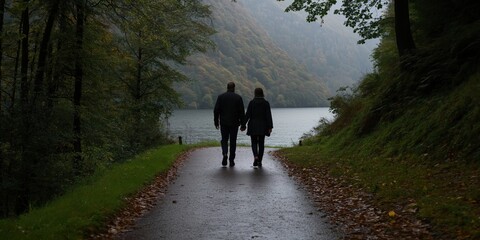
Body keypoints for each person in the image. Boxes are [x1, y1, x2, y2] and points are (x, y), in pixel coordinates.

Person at [214, 82, 246, 167]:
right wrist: (243, 124)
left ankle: (225, 153)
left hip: (224, 122)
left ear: (227, 87)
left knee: (224, 139)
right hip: (234, 123)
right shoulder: (238, 98)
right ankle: (231, 160)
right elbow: (242, 112)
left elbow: (216, 110)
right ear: (234, 88)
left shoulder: (221, 97)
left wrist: (216, 121)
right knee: (233, 141)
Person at [244, 88, 273, 168]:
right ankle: (260, 160)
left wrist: (243, 124)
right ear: (262, 93)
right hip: (263, 125)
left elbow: (248, 115)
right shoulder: (266, 103)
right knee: (261, 143)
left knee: (253, 142)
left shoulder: (251, 103)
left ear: (255, 93)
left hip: (253, 125)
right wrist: (270, 126)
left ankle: (255, 156)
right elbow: (268, 116)